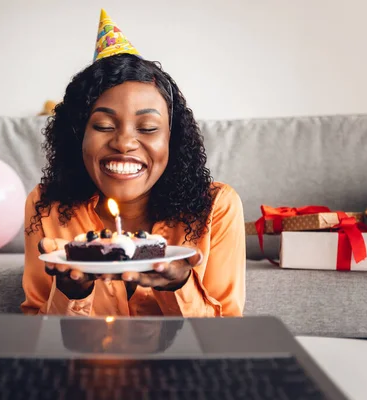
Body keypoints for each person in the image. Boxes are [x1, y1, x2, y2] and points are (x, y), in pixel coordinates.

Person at [21, 9, 245, 317]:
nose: (124, 143)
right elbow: (38, 332)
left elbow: (226, 340)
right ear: (78, 136)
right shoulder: (46, 205)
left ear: (172, 139)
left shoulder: (217, 207)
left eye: (148, 128)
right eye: (103, 125)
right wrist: (71, 294)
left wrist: (179, 287)